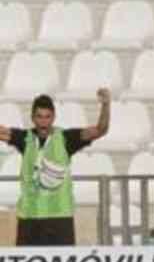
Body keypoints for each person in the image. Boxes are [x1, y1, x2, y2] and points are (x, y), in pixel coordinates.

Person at [0, 90, 110, 246]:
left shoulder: (66, 138)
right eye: (39, 117)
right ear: (32, 118)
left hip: (59, 218)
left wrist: (105, 105)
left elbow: (100, 130)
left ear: (53, 117)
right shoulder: (24, 138)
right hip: (29, 217)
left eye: (47, 117)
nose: (43, 122)